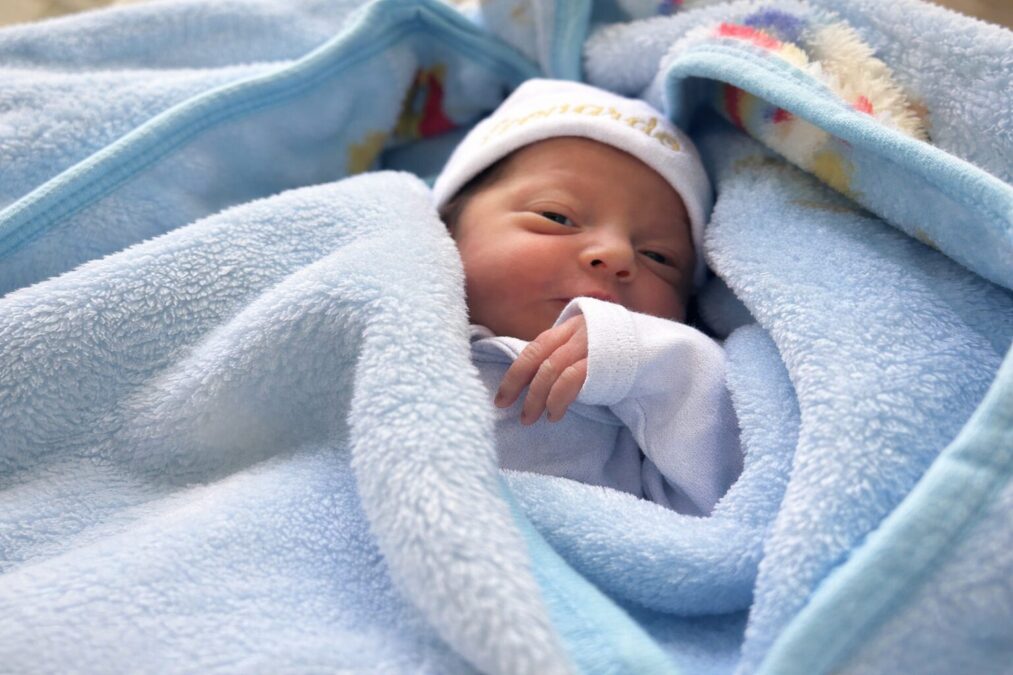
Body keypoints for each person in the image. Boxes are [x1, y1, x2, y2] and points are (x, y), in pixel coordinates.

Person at [433, 79, 741, 515]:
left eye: (658, 257)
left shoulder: (646, 413)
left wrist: (650, 357)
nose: (616, 255)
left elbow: (734, 489)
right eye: (557, 217)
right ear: (446, 229)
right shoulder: (386, 313)